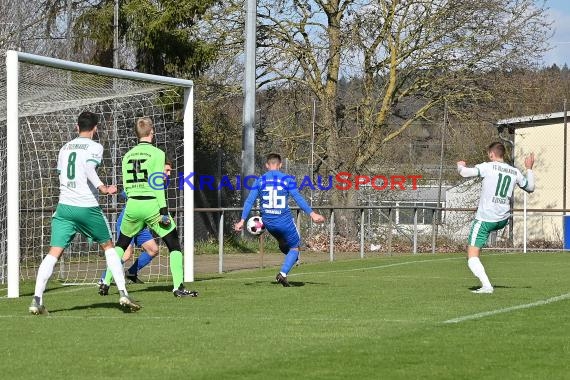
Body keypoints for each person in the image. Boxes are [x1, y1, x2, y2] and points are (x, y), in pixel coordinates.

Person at [29, 111, 140, 315]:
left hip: (64, 208)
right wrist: (103, 188)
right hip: (87, 206)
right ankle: (123, 293)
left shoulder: (65, 147)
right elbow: (89, 169)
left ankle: (37, 299)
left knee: (54, 252)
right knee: (108, 247)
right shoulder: (95, 146)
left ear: (76, 127)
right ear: (95, 128)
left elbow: (63, 175)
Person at [112, 117, 197, 297]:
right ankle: (178, 287)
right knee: (173, 244)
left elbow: (126, 186)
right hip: (150, 205)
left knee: (126, 245)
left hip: (132, 206)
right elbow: (157, 186)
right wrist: (163, 210)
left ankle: (107, 281)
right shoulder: (157, 153)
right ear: (152, 133)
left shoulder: (127, 155)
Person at [234, 153, 326, 287]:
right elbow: (298, 198)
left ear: (267, 165)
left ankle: (289, 258)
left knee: (285, 244)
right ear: (280, 164)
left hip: (269, 223)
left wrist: (242, 221)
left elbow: (249, 202)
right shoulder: (287, 180)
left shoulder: (259, 181)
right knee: (295, 248)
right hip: (285, 221)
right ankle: (283, 273)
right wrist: (312, 214)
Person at [457, 142, 535, 294]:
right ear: (503, 154)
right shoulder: (514, 171)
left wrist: (460, 165)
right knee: (478, 247)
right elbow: (530, 187)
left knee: (472, 256)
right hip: (502, 219)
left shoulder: (488, 166)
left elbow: (464, 173)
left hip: (486, 219)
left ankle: (486, 286)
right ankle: (486, 285)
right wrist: (529, 169)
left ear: (491, 154)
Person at [97, 160, 172, 293]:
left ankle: (131, 273)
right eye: (167, 170)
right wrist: (116, 190)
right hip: (128, 222)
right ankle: (104, 279)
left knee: (153, 250)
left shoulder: (162, 184)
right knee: (126, 254)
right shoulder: (147, 182)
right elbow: (128, 192)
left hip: (142, 225)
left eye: (170, 171)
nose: (169, 173)